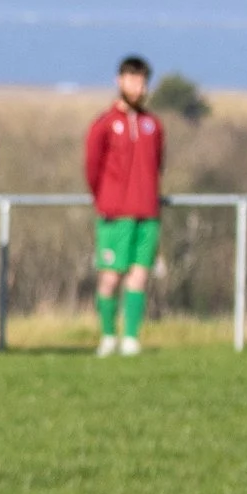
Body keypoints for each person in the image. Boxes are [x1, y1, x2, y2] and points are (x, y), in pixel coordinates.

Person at [84, 56, 165, 356]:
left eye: (142, 81)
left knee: (139, 275)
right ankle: (107, 335)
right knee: (110, 276)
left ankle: (130, 338)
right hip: (115, 213)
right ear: (119, 81)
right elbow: (92, 167)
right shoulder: (104, 124)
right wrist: (106, 199)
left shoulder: (153, 125)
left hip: (147, 212)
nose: (137, 87)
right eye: (131, 80)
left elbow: (159, 164)